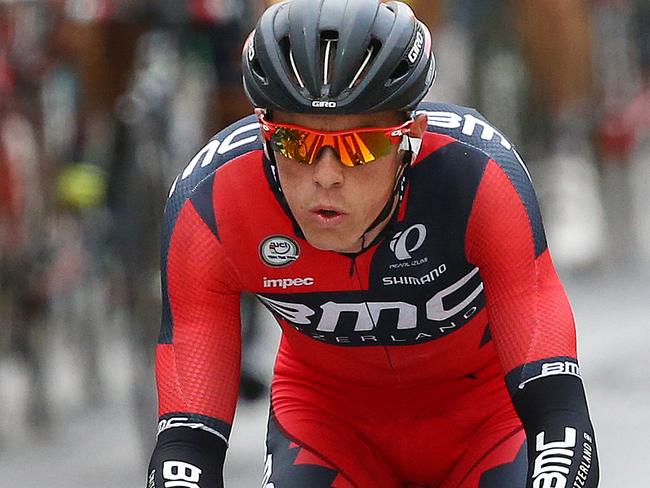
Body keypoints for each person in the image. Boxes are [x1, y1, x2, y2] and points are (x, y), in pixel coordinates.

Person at [147, 0, 600, 486]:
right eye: (295, 144)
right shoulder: (211, 203)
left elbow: (558, 411)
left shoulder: (479, 175)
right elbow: (185, 448)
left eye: (360, 147)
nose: (326, 176)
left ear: (411, 137)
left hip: (490, 428)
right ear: (264, 133)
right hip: (328, 433)